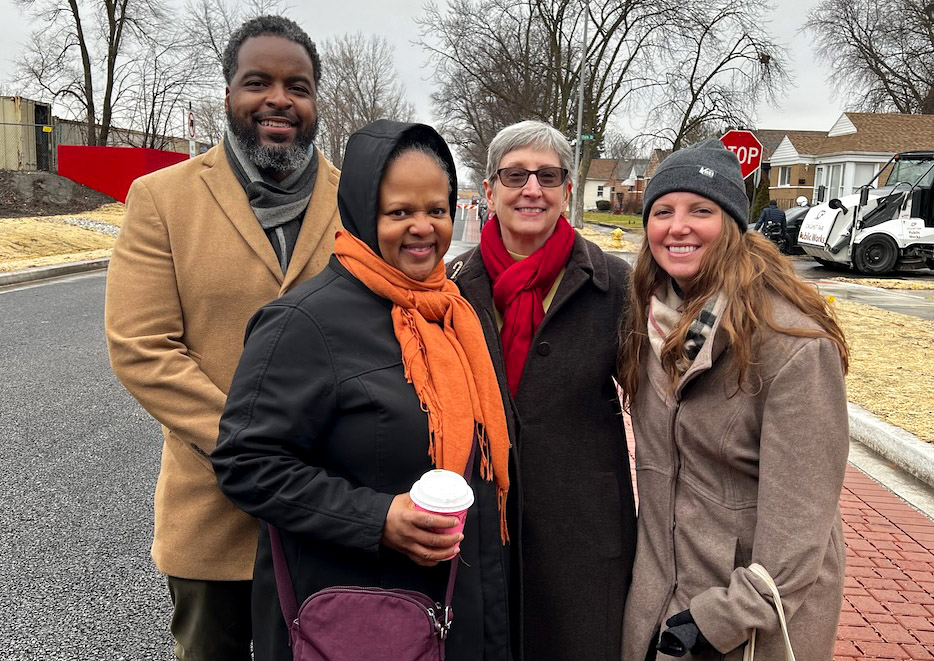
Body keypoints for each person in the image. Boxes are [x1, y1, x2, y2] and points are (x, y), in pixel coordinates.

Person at [211, 120, 513, 660]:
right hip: (355, 622)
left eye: (437, 210)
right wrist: (378, 520)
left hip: (455, 613)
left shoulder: (456, 315)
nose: (423, 228)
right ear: (361, 211)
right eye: (399, 212)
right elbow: (245, 462)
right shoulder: (304, 322)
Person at [105, 16, 340, 660]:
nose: (278, 99)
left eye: (298, 86)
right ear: (228, 93)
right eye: (256, 81)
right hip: (214, 515)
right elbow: (142, 348)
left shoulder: (355, 202)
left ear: (316, 100)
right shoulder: (161, 198)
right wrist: (253, 449)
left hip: (332, 510)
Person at [617, 138, 849, 660]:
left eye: (701, 210)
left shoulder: (793, 347)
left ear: (733, 227)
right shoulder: (649, 325)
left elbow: (800, 533)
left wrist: (718, 620)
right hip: (660, 601)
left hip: (745, 625)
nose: (678, 226)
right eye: (662, 211)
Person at [446, 120, 637, 660]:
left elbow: (660, 401)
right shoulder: (453, 287)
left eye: (548, 176)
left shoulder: (614, 285)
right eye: (515, 175)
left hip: (582, 527)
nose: (532, 189)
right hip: (480, 523)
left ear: (567, 192)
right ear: (489, 191)